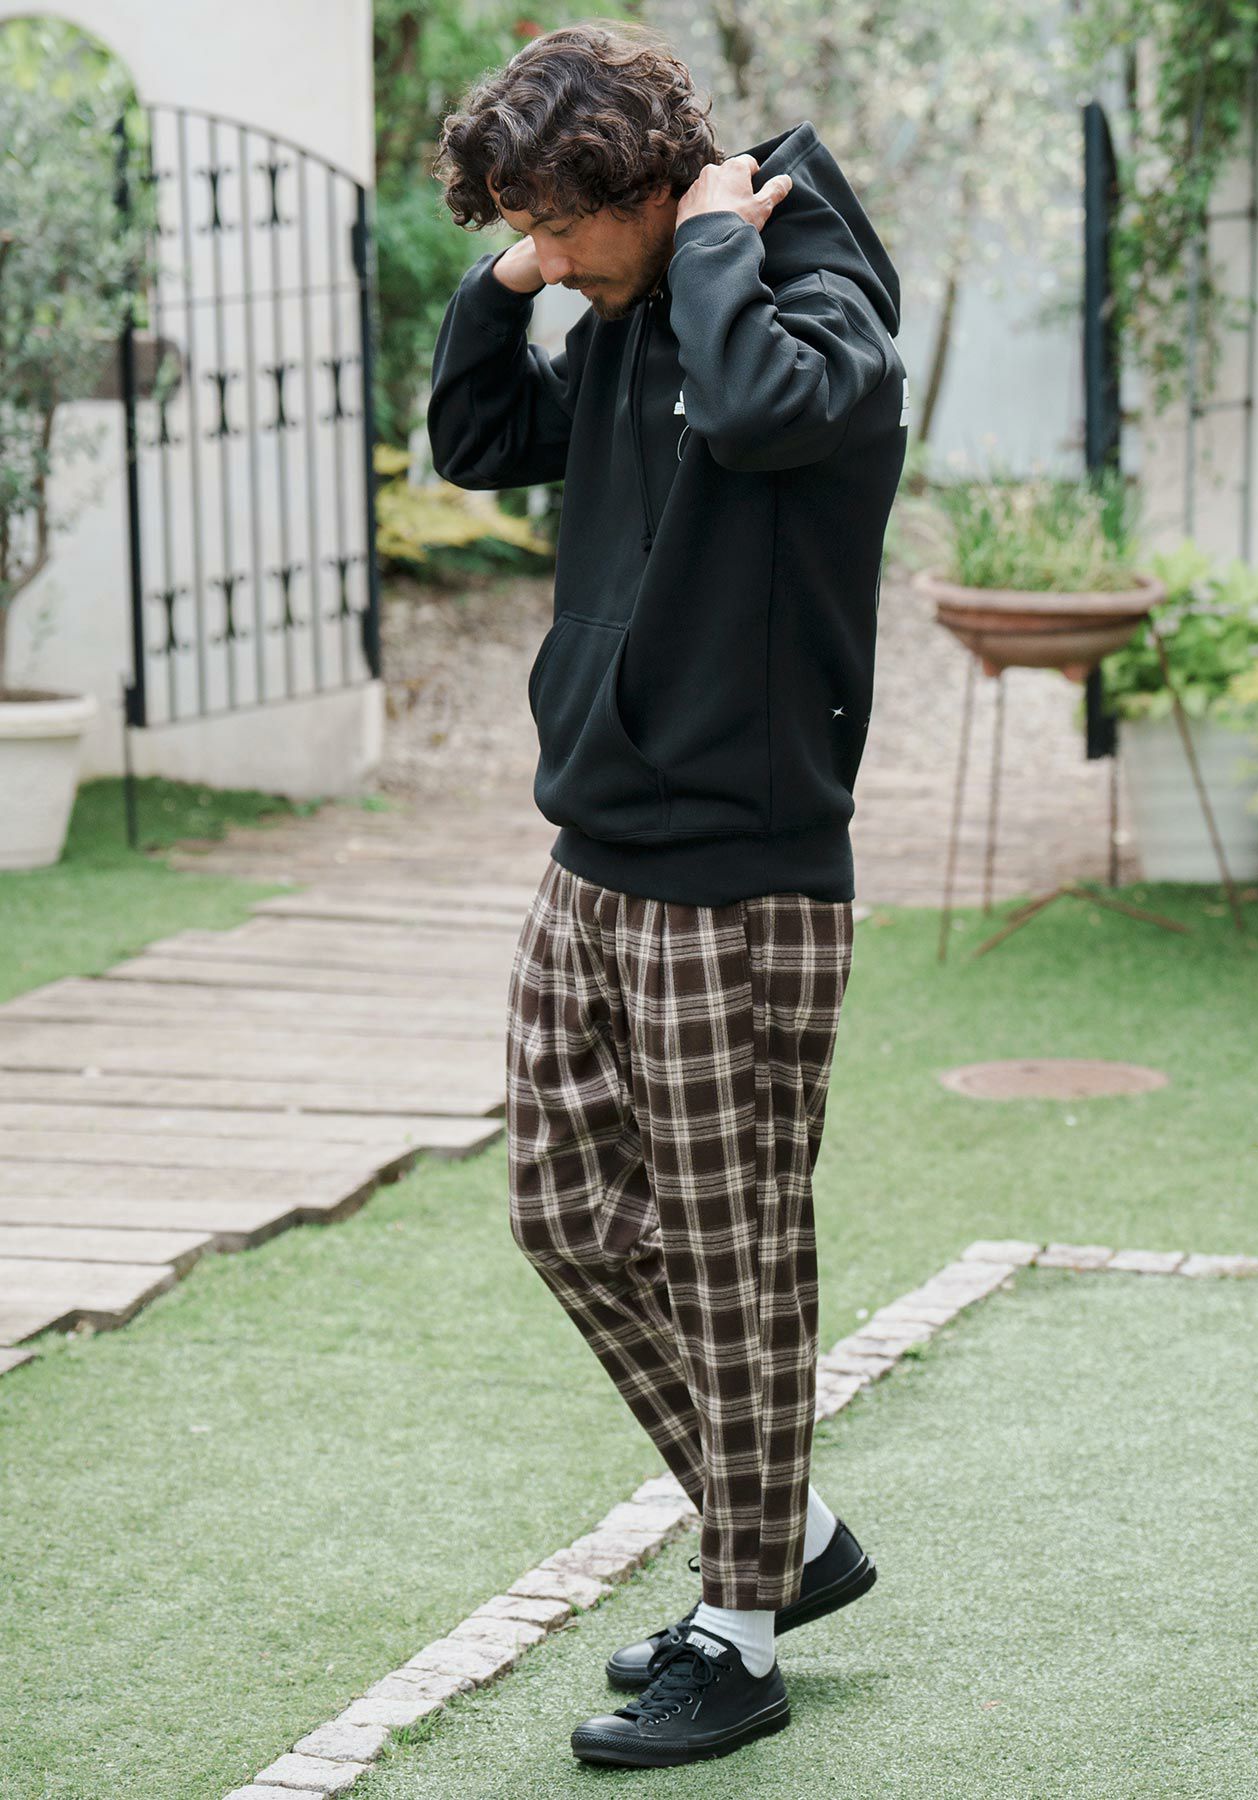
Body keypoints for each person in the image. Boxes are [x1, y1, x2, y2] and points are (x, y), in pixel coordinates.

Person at [427, 18, 907, 1770]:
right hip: (596, 845)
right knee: (563, 1214)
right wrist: (506, 284)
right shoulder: (630, 309)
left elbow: (769, 413)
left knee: (730, 1260)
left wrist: (711, 246)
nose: (551, 261)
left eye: (563, 227)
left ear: (653, 187)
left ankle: (743, 1631)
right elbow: (483, 438)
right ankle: (795, 1532)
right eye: (530, 235)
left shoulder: (814, 308)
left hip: (738, 874)